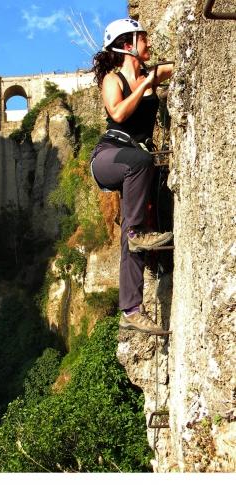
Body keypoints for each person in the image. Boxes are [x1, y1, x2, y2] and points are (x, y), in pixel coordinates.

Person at [90, 18, 174, 335]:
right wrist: (146, 82)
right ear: (128, 45)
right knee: (139, 161)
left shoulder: (146, 77)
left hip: (135, 164)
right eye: (143, 39)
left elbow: (172, 71)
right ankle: (139, 234)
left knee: (132, 232)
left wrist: (159, 76)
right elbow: (118, 114)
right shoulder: (113, 79)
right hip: (108, 156)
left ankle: (131, 308)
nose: (148, 44)